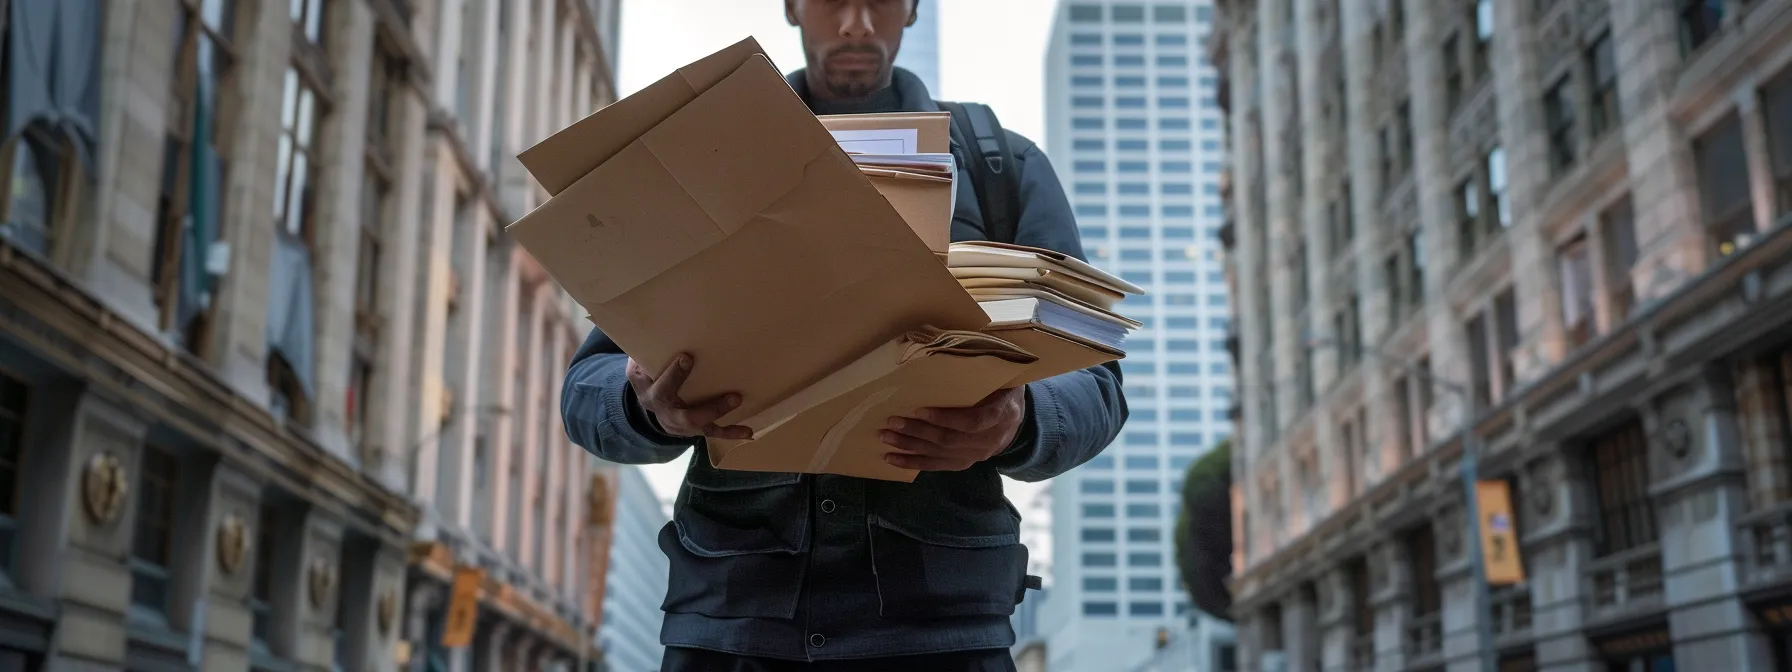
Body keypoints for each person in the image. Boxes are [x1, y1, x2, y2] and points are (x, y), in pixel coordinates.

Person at [561, 1, 1126, 670]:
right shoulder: (706, 162)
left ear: (913, 10)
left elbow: (1098, 385)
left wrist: (1020, 419)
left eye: (880, 1)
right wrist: (644, 403)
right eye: (833, 0)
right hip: (735, 631)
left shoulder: (998, 164)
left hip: (940, 637)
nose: (857, 23)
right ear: (793, 7)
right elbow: (586, 389)